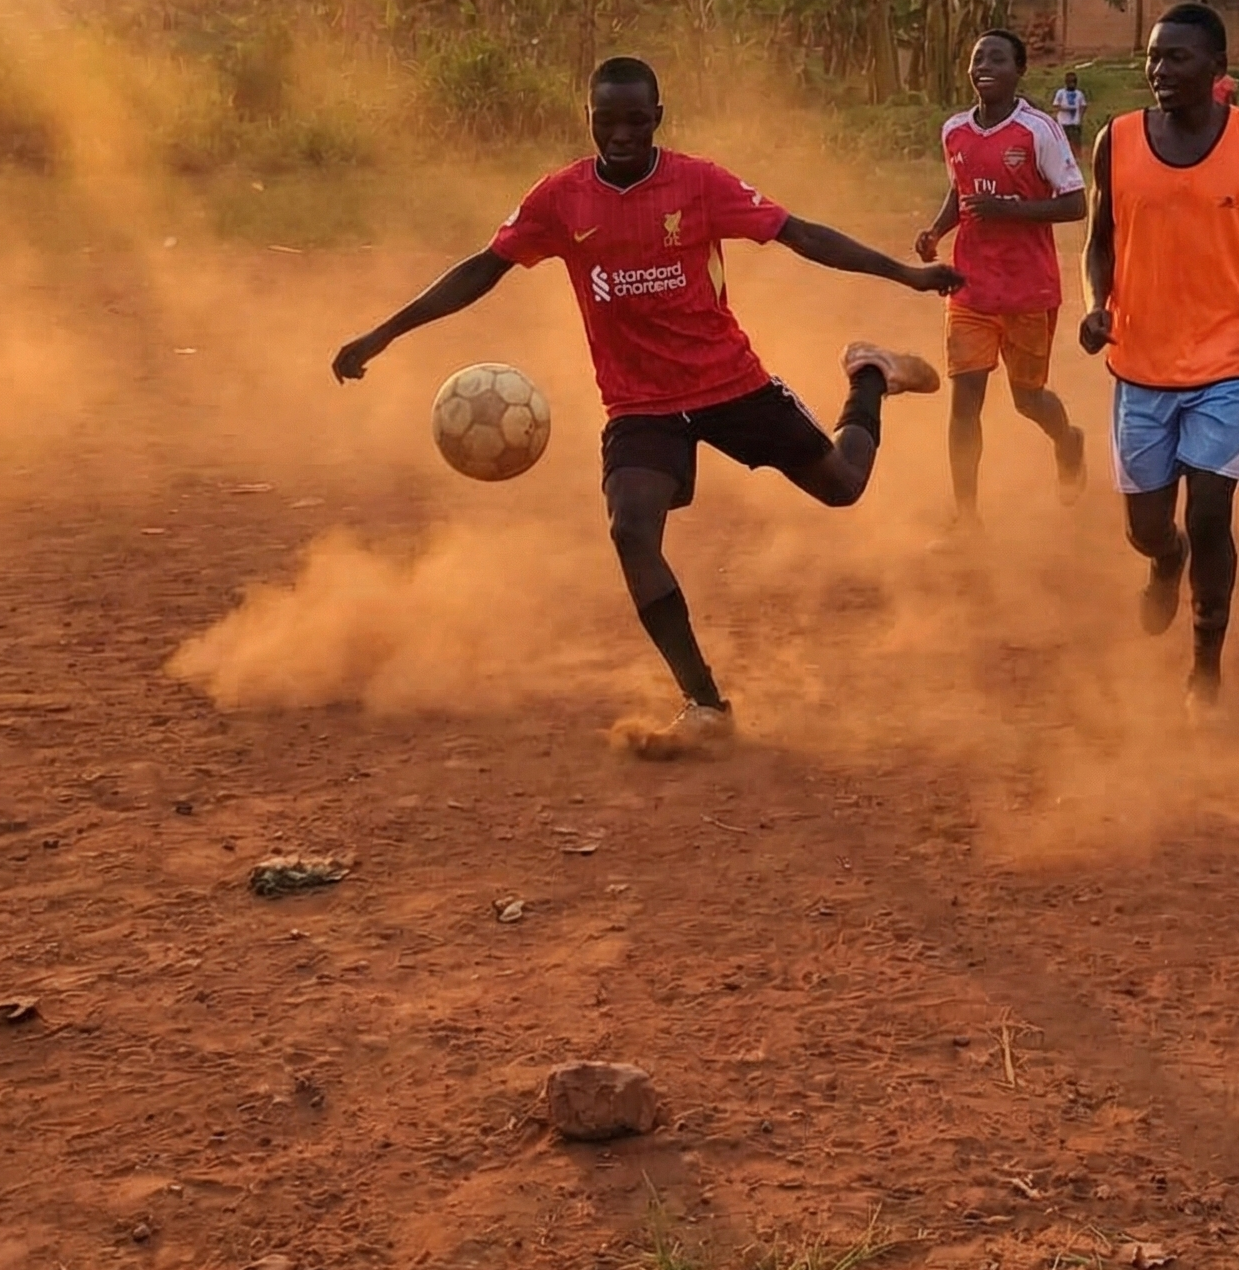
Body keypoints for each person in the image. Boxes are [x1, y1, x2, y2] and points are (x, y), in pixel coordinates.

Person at [331, 57, 963, 753]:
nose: (623, 134)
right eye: (608, 121)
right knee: (631, 531)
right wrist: (383, 332)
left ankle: (870, 374)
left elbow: (801, 234)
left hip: (730, 383)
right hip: (639, 404)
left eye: (637, 120)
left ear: (658, 118)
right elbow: (484, 267)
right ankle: (705, 704)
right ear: (590, 120)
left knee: (843, 487)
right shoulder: (561, 198)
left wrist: (903, 274)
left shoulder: (697, 182)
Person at [1079, 3, 1239, 710]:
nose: (1160, 70)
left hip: (1228, 359)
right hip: (1140, 361)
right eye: (1154, 57)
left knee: (1213, 512)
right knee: (1148, 527)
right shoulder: (1116, 139)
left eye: (1177, 58)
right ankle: (1165, 562)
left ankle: (1205, 663)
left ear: (1217, 71)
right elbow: (1101, 240)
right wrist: (1096, 304)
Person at [918, 29, 1088, 528]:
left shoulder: (1039, 131)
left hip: (1027, 289)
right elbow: (960, 194)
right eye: (976, 58)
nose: (983, 66)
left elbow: (1075, 204)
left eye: (996, 58)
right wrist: (936, 230)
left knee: (1027, 398)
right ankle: (967, 520)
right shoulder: (954, 131)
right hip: (969, 286)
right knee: (964, 401)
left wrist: (1010, 210)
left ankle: (1068, 440)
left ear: (1020, 71)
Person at [1052, 70, 1088, 162]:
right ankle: (1063, 158)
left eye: (1074, 82)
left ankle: (1077, 158)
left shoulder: (1079, 94)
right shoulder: (1061, 93)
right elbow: (1056, 105)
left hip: (1075, 122)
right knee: (1063, 141)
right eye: (1070, 82)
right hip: (1063, 122)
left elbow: (1083, 105)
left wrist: (1080, 116)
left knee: (1075, 141)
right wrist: (1065, 109)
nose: (1072, 84)